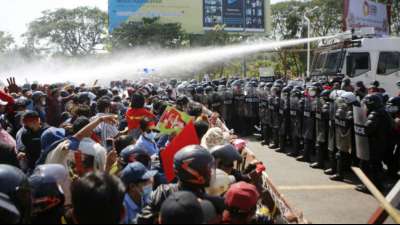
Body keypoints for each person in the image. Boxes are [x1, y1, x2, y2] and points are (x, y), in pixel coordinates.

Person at [136, 145, 223, 224]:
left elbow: (141, 219)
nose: (211, 172)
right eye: (207, 169)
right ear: (193, 173)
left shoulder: (162, 192)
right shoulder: (214, 203)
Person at [356, 94, 394, 193]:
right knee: (376, 166)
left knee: (370, 166)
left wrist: (359, 125)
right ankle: (378, 186)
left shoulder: (374, 114)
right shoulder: (383, 111)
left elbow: (368, 130)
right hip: (382, 142)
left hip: (374, 143)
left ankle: (369, 187)